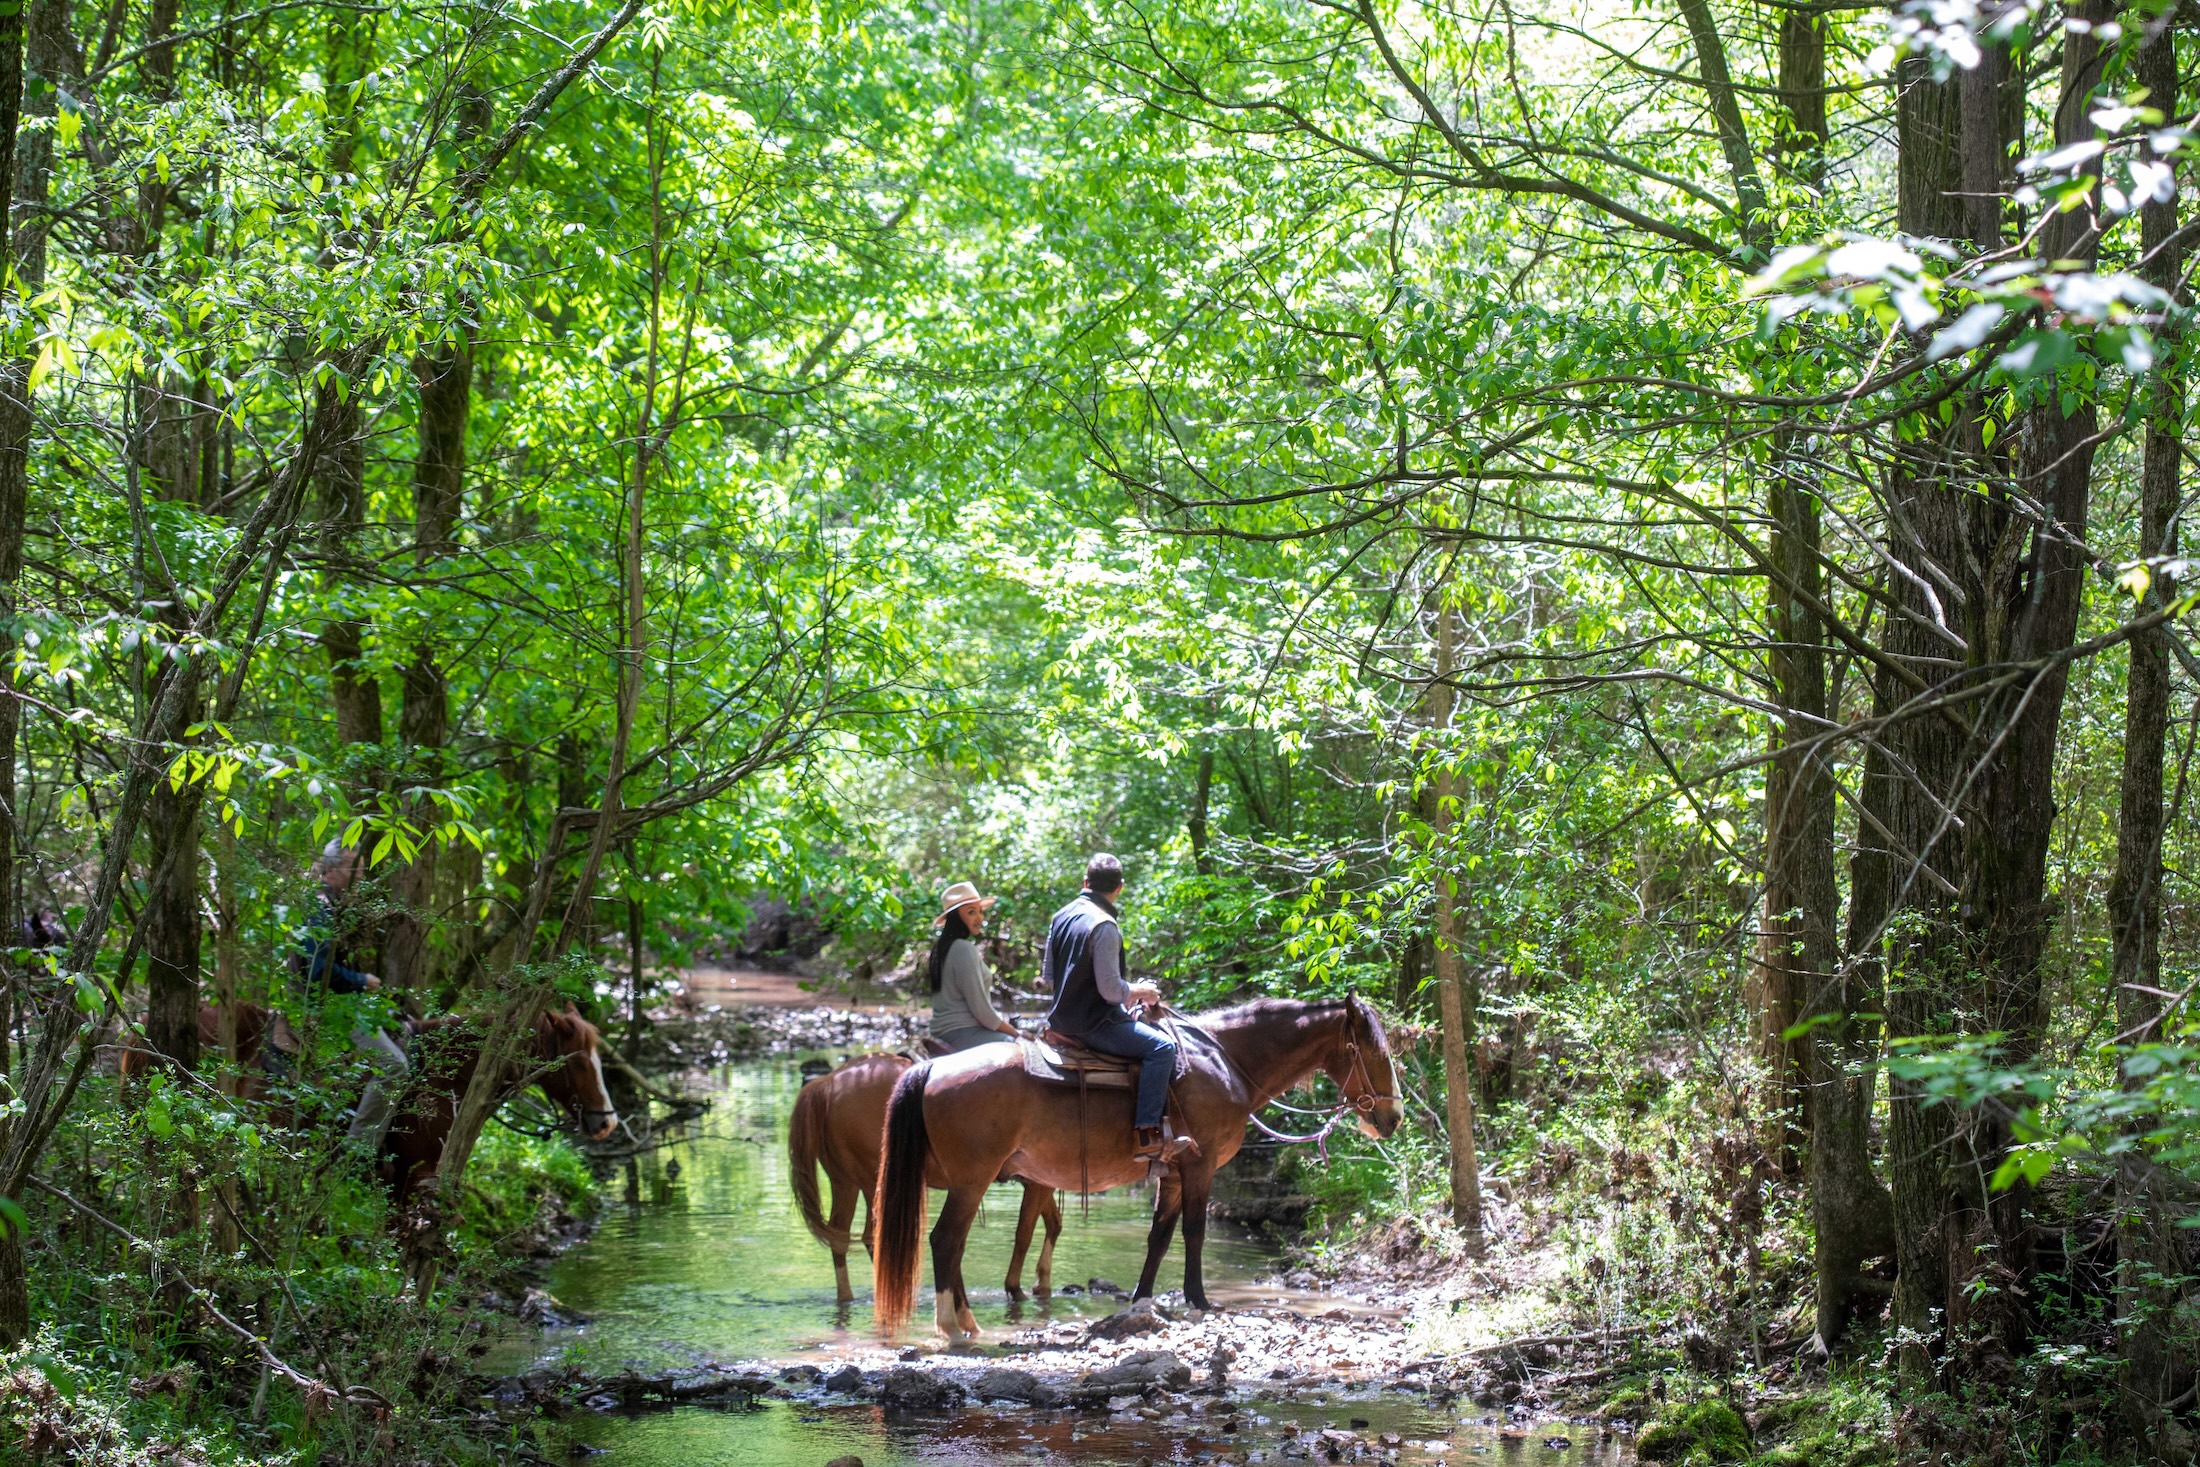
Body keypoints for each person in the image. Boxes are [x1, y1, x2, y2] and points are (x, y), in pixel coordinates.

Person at [1042, 853, 1190, 1163]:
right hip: (1095, 1025)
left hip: (1059, 1023)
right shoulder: (1104, 925)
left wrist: (1127, 989)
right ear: (1119, 888)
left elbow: (1049, 980)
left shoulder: (1060, 916)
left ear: (1085, 883)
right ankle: (1147, 1135)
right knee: (1163, 1048)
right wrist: (1143, 991)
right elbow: (1111, 993)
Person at [296, 840, 410, 1149]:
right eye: (354, 867)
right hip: (327, 1009)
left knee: (406, 1031)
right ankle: (356, 1152)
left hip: (346, 1005)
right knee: (394, 1066)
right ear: (331, 870)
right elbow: (316, 972)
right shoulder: (319, 907)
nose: (360, 874)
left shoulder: (335, 906)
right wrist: (361, 980)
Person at [928, 881, 1017, 1052]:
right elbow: (981, 1011)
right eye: (971, 912)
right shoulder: (963, 948)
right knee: (1024, 1049)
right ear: (955, 917)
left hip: (946, 1034)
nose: (979, 918)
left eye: (980, 911)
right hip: (964, 1033)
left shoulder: (940, 948)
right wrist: (1016, 1034)